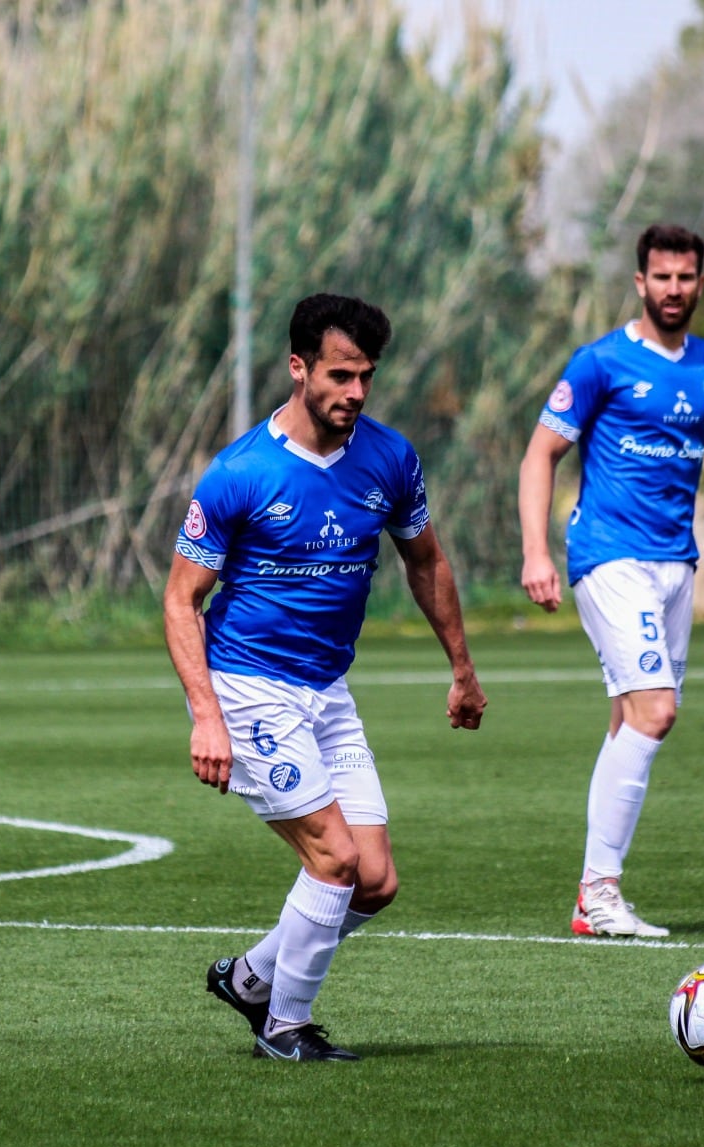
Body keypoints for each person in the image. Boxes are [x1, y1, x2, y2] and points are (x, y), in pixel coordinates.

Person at [163, 293, 486, 1062]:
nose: (357, 392)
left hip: (325, 691)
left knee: (373, 880)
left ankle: (249, 978)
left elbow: (427, 561)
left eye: (367, 376)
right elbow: (181, 600)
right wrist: (206, 715)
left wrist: (463, 669)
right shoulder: (240, 472)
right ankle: (285, 1023)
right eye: (341, 375)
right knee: (333, 859)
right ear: (299, 366)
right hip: (247, 685)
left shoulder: (389, 458)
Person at [519, 223, 704, 938]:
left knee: (631, 718)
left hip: (675, 564)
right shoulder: (600, 363)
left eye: (687, 277)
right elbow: (540, 455)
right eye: (663, 277)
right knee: (656, 711)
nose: (674, 289)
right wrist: (536, 551)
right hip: (609, 554)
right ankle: (600, 890)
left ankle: (592, 900)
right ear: (640, 282)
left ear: (699, 283)